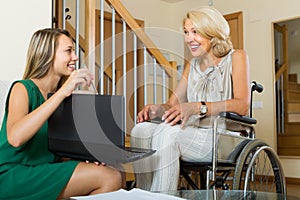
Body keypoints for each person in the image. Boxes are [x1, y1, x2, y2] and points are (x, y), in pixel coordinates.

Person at [130, 6, 250, 192]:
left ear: (212, 32)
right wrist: (157, 109)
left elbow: (242, 105)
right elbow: (172, 104)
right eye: (186, 32)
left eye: (195, 32)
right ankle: (145, 193)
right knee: (140, 130)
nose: (188, 39)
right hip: (194, 132)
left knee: (168, 134)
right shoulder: (192, 65)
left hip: (224, 137)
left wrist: (197, 107)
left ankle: (162, 196)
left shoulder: (237, 57)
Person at [0, 28, 124, 199]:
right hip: (13, 174)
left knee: (113, 173)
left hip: (43, 170)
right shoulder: (22, 88)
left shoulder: (63, 96)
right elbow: (15, 138)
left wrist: (86, 159)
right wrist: (62, 93)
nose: (75, 57)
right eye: (68, 51)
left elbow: (55, 151)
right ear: (48, 54)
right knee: (110, 178)